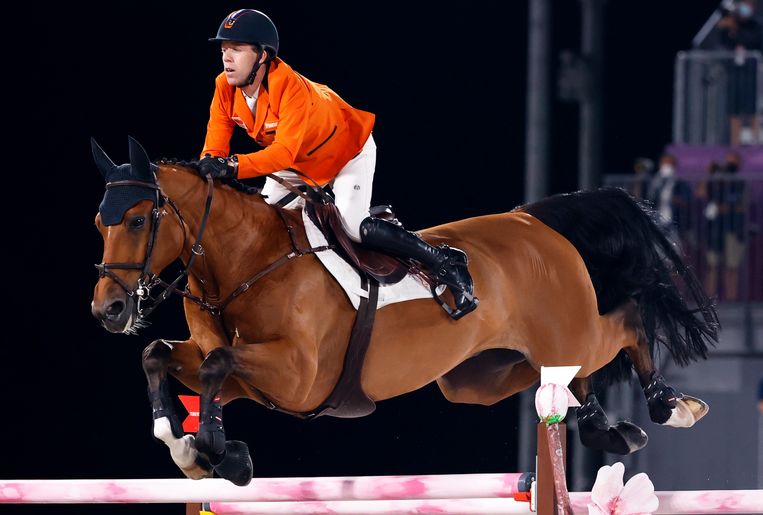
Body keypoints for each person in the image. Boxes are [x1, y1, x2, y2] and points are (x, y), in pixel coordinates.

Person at [196, 9, 477, 318]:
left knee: (352, 225)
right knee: (263, 223)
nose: (226, 57)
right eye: (223, 49)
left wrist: (233, 167)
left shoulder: (289, 87)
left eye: (236, 49)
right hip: (302, 161)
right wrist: (210, 161)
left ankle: (443, 261)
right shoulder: (224, 85)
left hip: (347, 152)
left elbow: (281, 155)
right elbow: (216, 137)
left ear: (262, 55)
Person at [717, 0, 762, 145]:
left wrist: (735, 29)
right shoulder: (729, 25)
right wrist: (727, 28)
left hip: (752, 73)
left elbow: (752, 42)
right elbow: (724, 45)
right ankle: (734, 144)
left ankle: (755, 141)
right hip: (735, 73)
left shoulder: (756, 26)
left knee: (752, 108)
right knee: (734, 108)